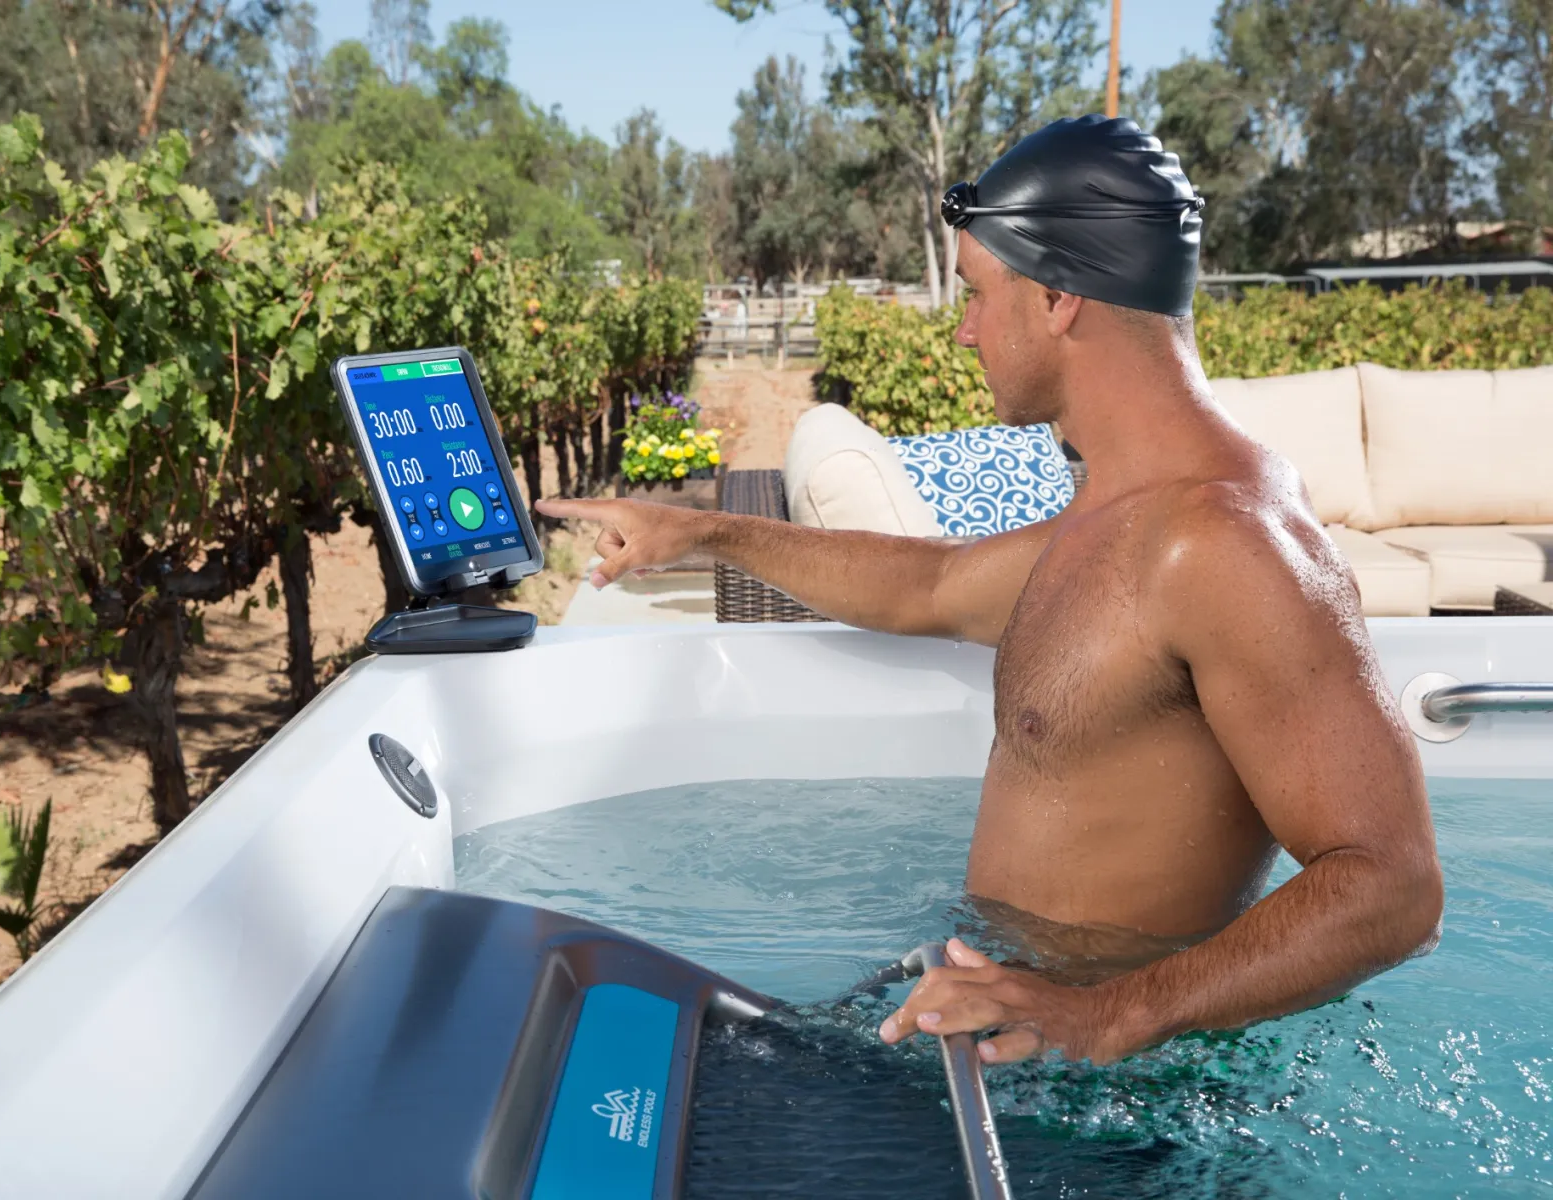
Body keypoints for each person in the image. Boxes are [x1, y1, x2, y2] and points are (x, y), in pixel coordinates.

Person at [536, 116, 1442, 1066]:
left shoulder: (1224, 542)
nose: (964, 329)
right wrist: (702, 533)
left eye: (976, 293)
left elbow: (1394, 887)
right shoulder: (1121, 516)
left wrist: (1105, 1017)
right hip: (1011, 1033)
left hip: (1110, 1107)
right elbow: (931, 582)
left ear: (1056, 297)